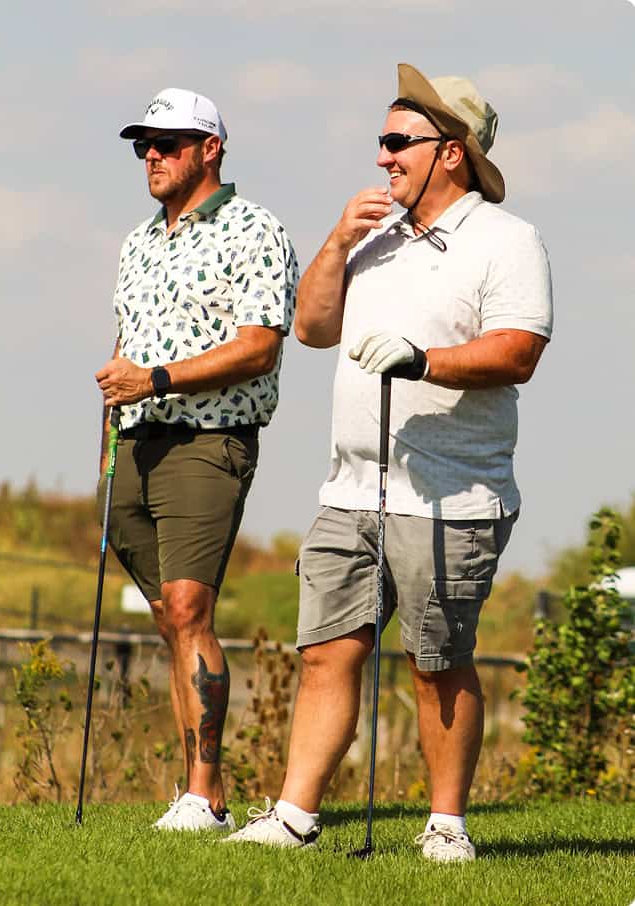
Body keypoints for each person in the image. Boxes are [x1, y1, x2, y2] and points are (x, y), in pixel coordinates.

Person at [225, 63, 552, 860]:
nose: (382, 157)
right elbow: (311, 328)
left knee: (436, 663)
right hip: (349, 489)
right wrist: (338, 241)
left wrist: (422, 361)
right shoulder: (372, 237)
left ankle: (446, 826)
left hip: (450, 494)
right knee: (328, 650)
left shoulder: (508, 242)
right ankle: (295, 815)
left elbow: (518, 352)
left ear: (451, 152)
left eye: (397, 141)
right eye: (382, 140)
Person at [94, 87, 298, 832]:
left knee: (189, 607)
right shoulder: (139, 240)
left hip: (208, 440)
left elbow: (259, 345)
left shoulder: (255, 229)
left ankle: (205, 795)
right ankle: (194, 790)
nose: (151, 155)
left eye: (168, 143)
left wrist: (154, 380)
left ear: (210, 148)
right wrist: (118, 396)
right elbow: (127, 338)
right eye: (143, 144)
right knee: (169, 620)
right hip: (135, 445)